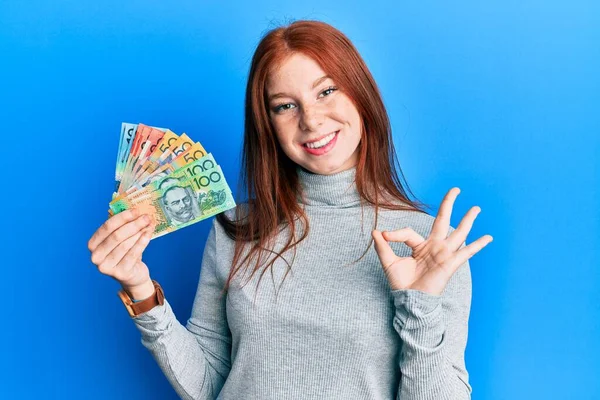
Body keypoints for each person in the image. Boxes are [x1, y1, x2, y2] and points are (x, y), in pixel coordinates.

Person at [87, 20, 493, 400]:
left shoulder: (427, 245)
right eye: (285, 106)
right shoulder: (237, 230)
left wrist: (419, 304)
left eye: (326, 91)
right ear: (268, 124)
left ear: (361, 94)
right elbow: (209, 382)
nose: (312, 120)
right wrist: (141, 289)